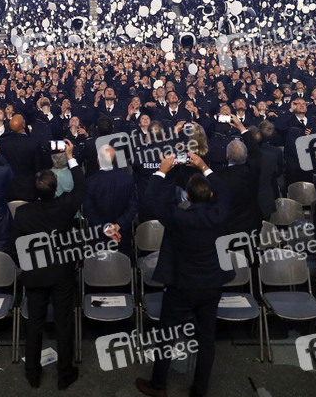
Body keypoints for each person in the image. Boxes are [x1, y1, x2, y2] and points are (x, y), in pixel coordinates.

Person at [135, 152, 232, 397]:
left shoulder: (178, 216)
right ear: (211, 196)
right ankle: (200, 390)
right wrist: (204, 166)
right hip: (211, 284)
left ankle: (158, 385)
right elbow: (226, 192)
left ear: (186, 196)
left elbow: (149, 199)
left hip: (181, 285)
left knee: (167, 335)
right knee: (206, 339)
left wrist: (162, 170)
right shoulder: (219, 213)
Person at [10, 139, 87, 390]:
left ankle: (32, 373)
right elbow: (81, 187)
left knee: (35, 323)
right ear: (56, 189)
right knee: (64, 323)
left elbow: (14, 246)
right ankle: (65, 374)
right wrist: (71, 157)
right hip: (61, 273)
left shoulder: (23, 213)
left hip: (34, 273)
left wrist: (28, 265)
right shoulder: (65, 207)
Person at [84, 145, 138, 254]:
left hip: (98, 238)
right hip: (121, 235)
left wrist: (105, 228)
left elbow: (88, 211)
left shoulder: (90, 182)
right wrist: (118, 225)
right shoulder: (128, 179)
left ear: (98, 159)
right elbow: (133, 207)